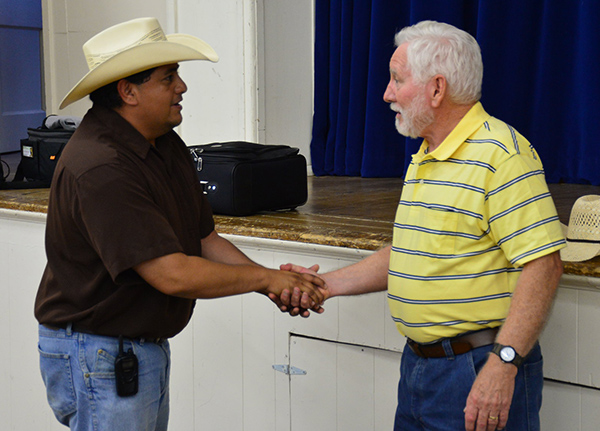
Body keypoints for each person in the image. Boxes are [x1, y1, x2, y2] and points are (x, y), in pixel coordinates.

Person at [34, 17, 325, 431]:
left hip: (126, 350)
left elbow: (203, 238)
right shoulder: (101, 166)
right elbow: (171, 273)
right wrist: (264, 281)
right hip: (99, 351)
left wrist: (272, 280)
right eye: (168, 77)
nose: (182, 87)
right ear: (128, 91)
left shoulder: (164, 143)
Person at [279, 20, 565, 431]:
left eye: (397, 79)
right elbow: (411, 254)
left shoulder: (502, 156)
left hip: (477, 368)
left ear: (436, 88)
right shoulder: (426, 155)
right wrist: (326, 285)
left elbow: (544, 265)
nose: (387, 93)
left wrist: (503, 365)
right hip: (420, 369)